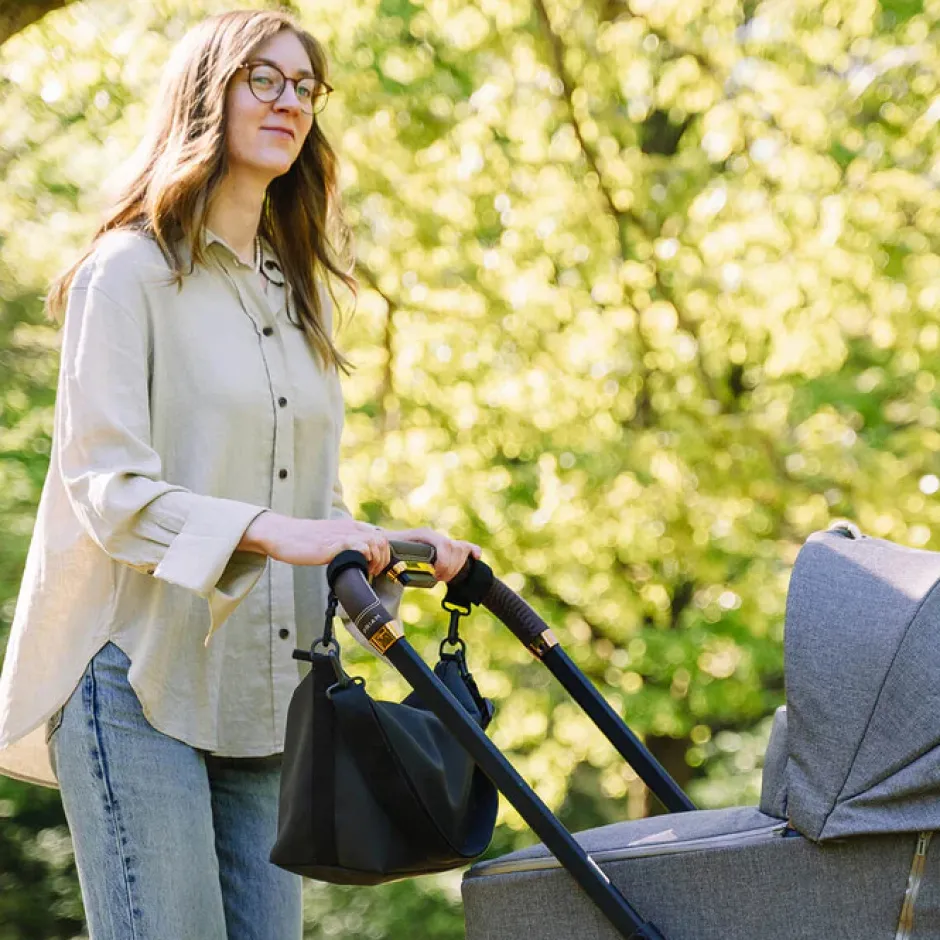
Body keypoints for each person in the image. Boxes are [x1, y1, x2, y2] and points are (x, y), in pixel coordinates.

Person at [0, 9, 480, 939]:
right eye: (264, 78)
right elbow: (106, 488)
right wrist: (276, 533)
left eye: (305, 86)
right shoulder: (127, 273)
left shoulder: (299, 298)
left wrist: (379, 546)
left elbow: (310, 499)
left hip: (263, 702)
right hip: (135, 678)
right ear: (204, 94)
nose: (290, 100)